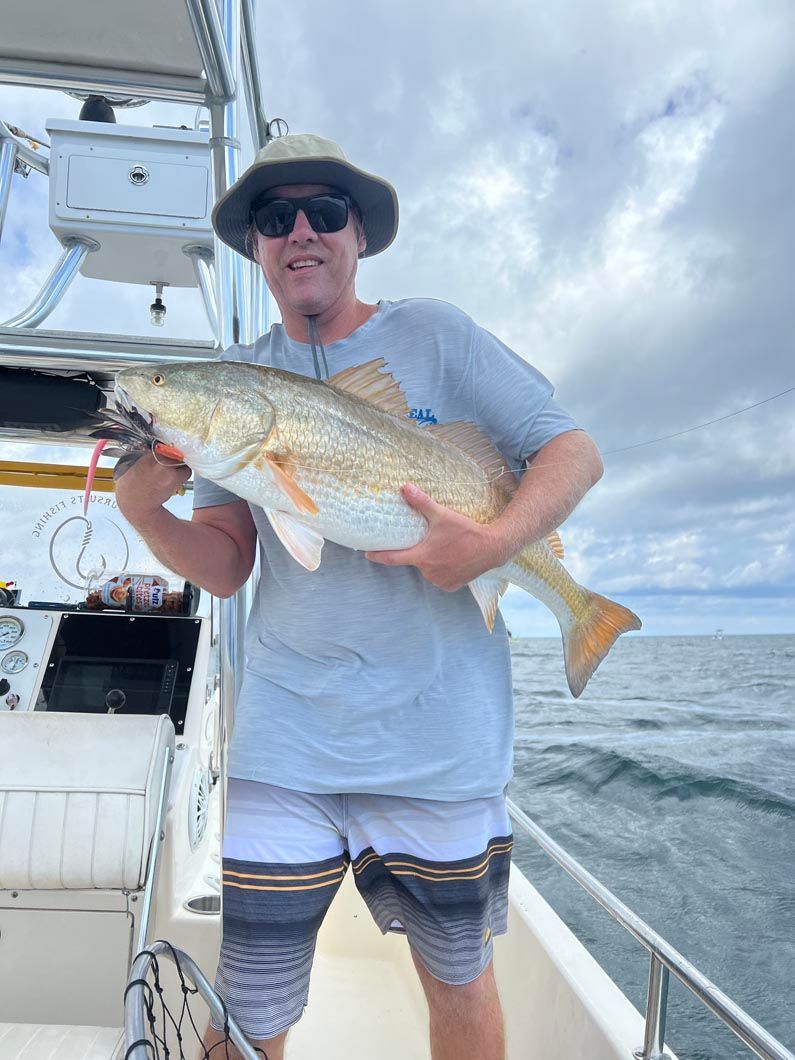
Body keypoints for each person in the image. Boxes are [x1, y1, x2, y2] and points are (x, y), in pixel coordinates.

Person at [115, 133, 604, 1060]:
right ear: (255, 244)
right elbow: (226, 564)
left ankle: (575, 605)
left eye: (323, 212)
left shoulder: (435, 336)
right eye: (273, 217)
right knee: (251, 1012)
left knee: (458, 983)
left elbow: (572, 448)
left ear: (356, 234)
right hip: (287, 744)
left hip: (437, 740)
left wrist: (496, 545)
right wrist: (146, 516)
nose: (299, 231)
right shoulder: (235, 383)